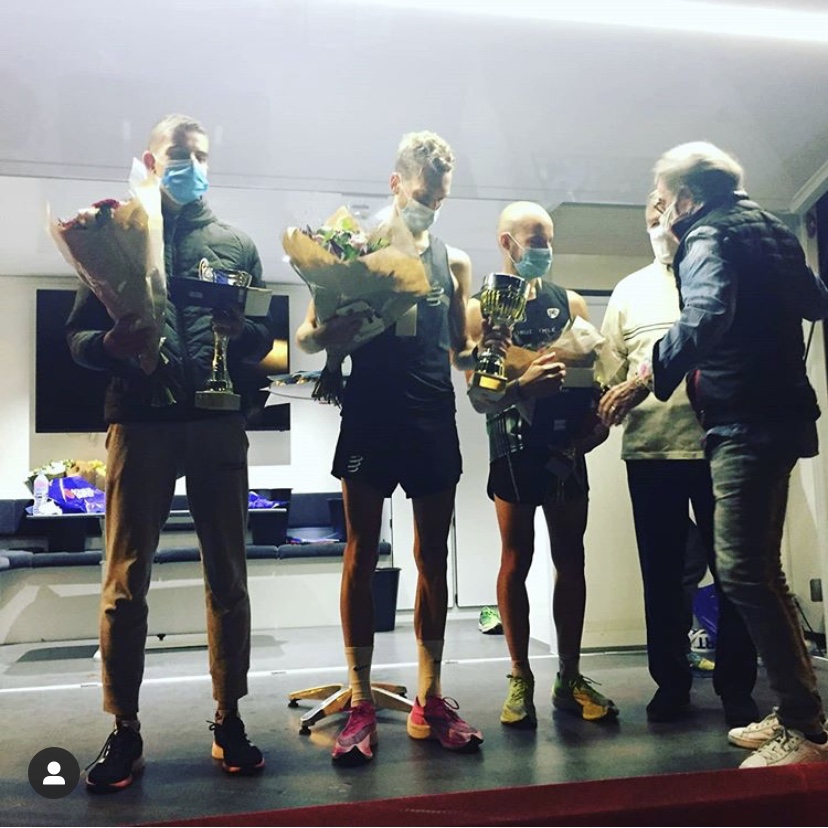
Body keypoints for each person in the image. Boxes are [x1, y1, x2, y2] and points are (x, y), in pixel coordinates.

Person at [67, 114, 273, 791]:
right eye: (180, 155)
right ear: (152, 161)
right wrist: (108, 346)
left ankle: (229, 717)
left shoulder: (237, 244)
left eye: (201, 155)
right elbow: (76, 339)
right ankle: (124, 727)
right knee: (125, 583)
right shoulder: (118, 236)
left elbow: (266, 343)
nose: (192, 165)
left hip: (217, 425)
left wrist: (244, 340)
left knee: (230, 580)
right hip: (141, 424)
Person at [634, 141, 828, 767]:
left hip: (745, 418)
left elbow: (707, 314)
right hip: (783, 416)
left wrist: (650, 371)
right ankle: (798, 709)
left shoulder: (708, 235)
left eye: (665, 200)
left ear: (688, 198)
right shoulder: (771, 229)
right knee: (761, 571)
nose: (662, 211)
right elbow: (816, 301)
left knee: (743, 571)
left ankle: (804, 729)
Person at [295, 130, 483, 764]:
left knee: (432, 556)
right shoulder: (355, 247)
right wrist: (329, 332)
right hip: (371, 414)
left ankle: (430, 697)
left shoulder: (454, 262)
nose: (431, 206)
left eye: (441, 198)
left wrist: (495, 353)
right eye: (424, 194)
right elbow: (308, 336)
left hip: (431, 413)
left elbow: (461, 352)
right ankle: (360, 701)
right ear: (396, 184)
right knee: (359, 553)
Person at [598, 193, 757, 725]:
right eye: (652, 212)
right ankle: (671, 685)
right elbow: (608, 373)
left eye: (670, 210)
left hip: (722, 446)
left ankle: (738, 687)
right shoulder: (628, 290)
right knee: (662, 576)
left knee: (734, 573)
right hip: (651, 449)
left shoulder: (718, 275)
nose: (661, 220)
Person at [466, 201, 618, 730]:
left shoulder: (569, 302)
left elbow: (595, 376)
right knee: (516, 558)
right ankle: (520, 677)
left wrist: (596, 422)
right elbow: (478, 397)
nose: (545, 250)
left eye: (549, 240)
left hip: (566, 446)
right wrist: (521, 386)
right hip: (511, 445)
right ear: (506, 242)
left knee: (570, 557)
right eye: (535, 241)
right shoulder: (479, 309)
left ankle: (569, 677)